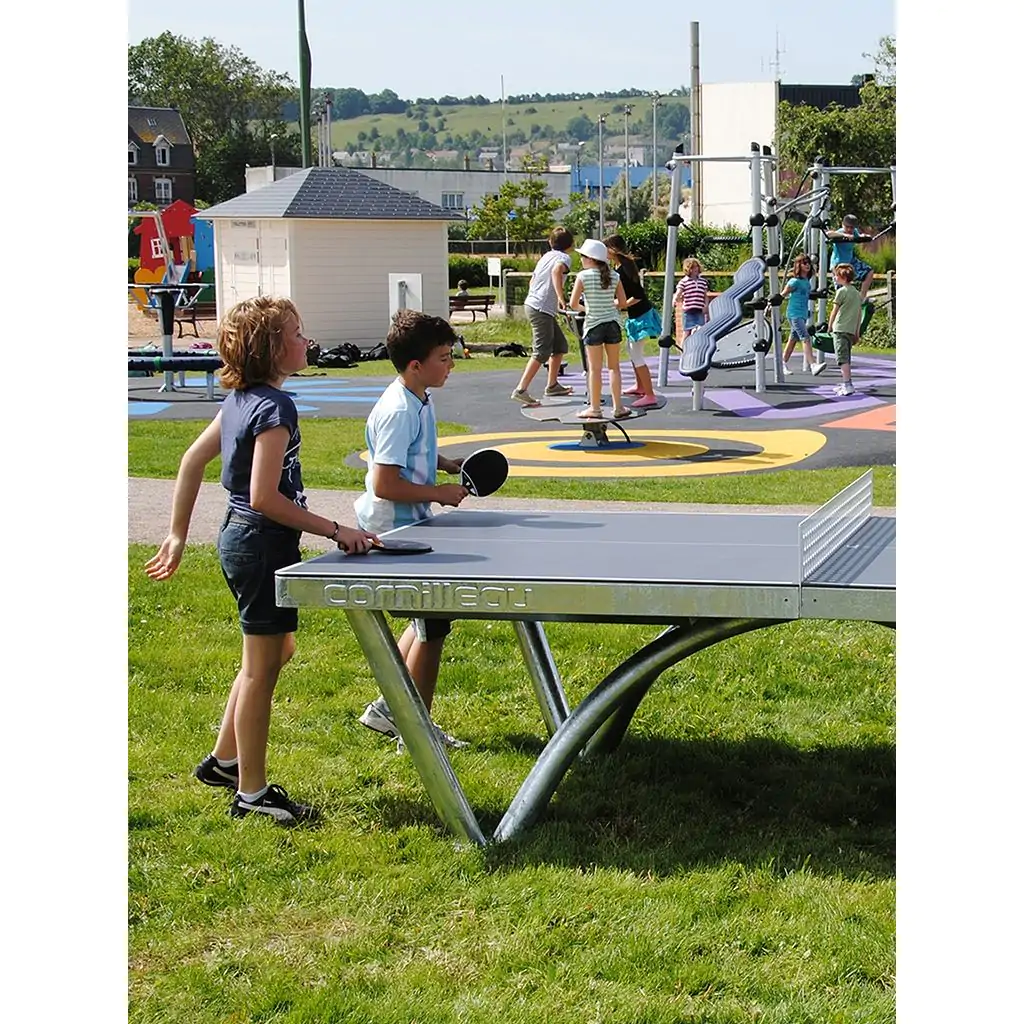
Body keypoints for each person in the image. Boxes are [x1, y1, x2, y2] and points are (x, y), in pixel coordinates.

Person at [144, 296, 378, 826]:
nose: (306, 339)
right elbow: (264, 497)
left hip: (244, 541)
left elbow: (191, 461)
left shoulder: (240, 400)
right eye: (296, 333)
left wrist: (179, 534)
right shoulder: (274, 408)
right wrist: (337, 530)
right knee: (260, 670)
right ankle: (251, 794)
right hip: (261, 544)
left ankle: (225, 761)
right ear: (272, 348)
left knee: (275, 652)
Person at [355, 310, 472, 751]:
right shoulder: (399, 410)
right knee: (432, 626)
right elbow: (385, 483)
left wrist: (444, 464)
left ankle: (390, 708)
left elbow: (410, 453)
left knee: (428, 621)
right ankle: (417, 733)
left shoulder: (419, 396)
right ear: (416, 365)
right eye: (444, 357)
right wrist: (438, 493)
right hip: (394, 532)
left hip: (413, 524)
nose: (451, 364)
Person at [510, 226, 575, 407]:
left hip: (535, 305)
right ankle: (521, 389)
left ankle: (552, 385)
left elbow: (533, 280)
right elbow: (556, 272)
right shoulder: (564, 258)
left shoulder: (545, 256)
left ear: (550, 242)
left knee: (560, 346)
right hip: (541, 308)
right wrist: (561, 298)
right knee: (542, 351)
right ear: (570, 244)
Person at [568, 238, 629, 420]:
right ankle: (618, 407)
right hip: (613, 324)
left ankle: (595, 408)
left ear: (590, 258)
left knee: (595, 369)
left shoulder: (583, 276)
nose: (581, 259)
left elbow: (573, 304)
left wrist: (588, 309)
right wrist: (608, 305)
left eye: (583, 256)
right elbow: (623, 303)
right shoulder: (615, 276)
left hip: (593, 324)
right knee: (614, 368)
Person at [603, 234, 660, 409]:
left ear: (613, 249)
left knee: (637, 355)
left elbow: (638, 295)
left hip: (641, 316)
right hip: (636, 315)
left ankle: (650, 394)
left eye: (606, 248)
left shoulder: (623, 271)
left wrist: (620, 304)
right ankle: (640, 386)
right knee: (631, 351)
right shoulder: (622, 267)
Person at [780, 254, 826, 377]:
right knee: (805, 337)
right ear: (798, 266)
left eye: (808, 263)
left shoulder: (806, 282)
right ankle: (813, 365)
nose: (807, 265)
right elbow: (783, 294)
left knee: (793, 340)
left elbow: (805, 295)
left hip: (803, 314)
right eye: (804, 263)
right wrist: (771, 305)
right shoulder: (794, 281)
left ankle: (782, 363)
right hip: (794, 314)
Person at [827, 263, 860, 396]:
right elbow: (859, 313)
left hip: (840, 328)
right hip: (850, 330)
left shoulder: (841, 292)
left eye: (836, 276)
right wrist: (857, 331)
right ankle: (846, 382)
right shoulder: (856, 293)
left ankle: (848, 385)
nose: (835, 278)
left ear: (843, 277)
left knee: (842, 359)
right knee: (847, 357)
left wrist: (830, 325)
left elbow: (834, 311)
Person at [672, 257, 710, 369]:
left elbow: (705, 295)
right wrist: (675, 299)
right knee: (687, 332)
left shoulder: (702, 282)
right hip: (688, 310)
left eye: (696, 267)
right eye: (693, 267)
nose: (695, 269)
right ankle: (682, 352)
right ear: (688, 269)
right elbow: (679, 292)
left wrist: (706, 305)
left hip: (699, 309)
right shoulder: (684, 282)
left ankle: (698, 351)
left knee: (700, 330)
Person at [826, 214, 875, 300]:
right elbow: (828, 234)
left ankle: (862, 298)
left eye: (851, 227)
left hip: (851, 262)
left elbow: (858, 236)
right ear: (843, 225)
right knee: (842, 288)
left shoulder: (854, 231)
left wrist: (864, 237)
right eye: (847, 227)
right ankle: (841, 303)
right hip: (839, 264)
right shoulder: (840, 232)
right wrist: (845, 236)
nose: (849, 229)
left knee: (869, 272)